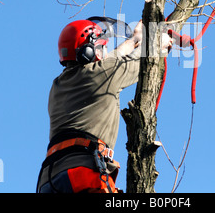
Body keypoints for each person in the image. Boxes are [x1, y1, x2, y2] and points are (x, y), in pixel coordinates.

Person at [36, 18, 144, 193]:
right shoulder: (101, 75)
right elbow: (142, 61)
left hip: (48, 180)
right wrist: (157, 43)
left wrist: (134, 40)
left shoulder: (58, 85)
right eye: (103, 47)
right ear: (89, 51)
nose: (105, 52)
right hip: (82, 172)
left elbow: (108, 64)